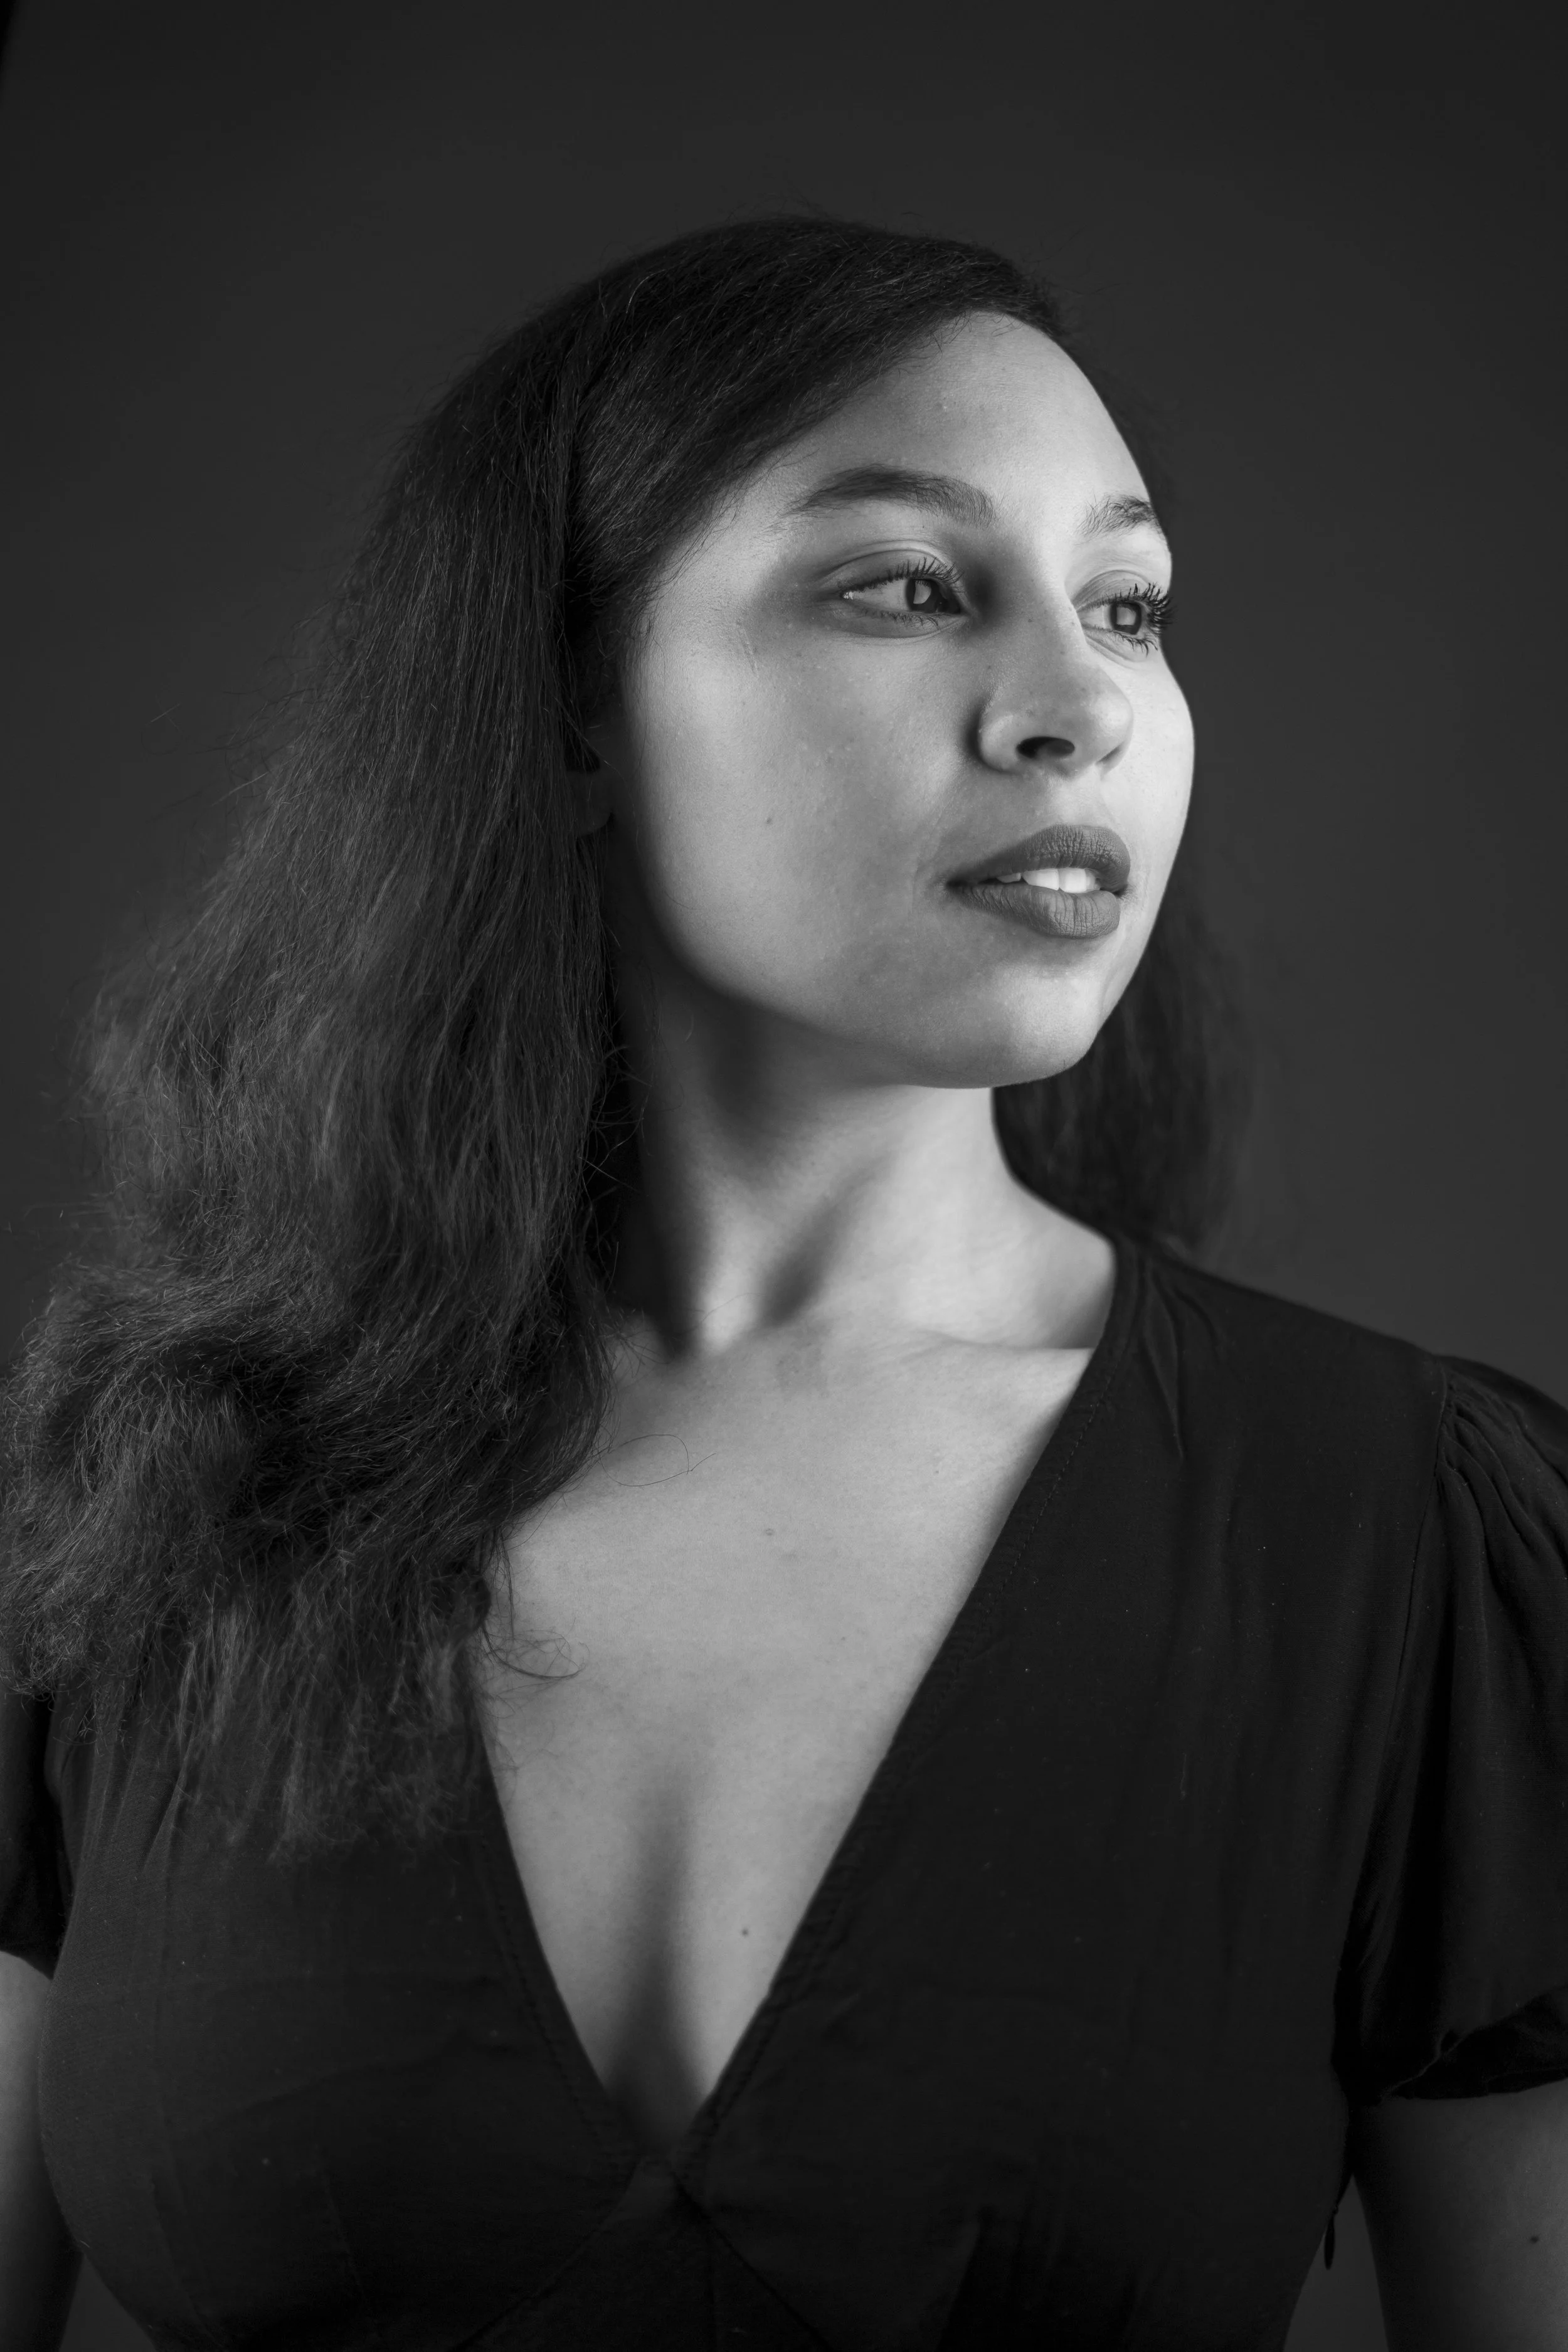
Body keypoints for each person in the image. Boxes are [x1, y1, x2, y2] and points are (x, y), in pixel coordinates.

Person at [2, 215, 1565, 2352]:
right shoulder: (134, 1498)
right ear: (559, 712)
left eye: (1126, 601)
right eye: (905, 586)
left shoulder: (1406, 1537)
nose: (1074, 701)